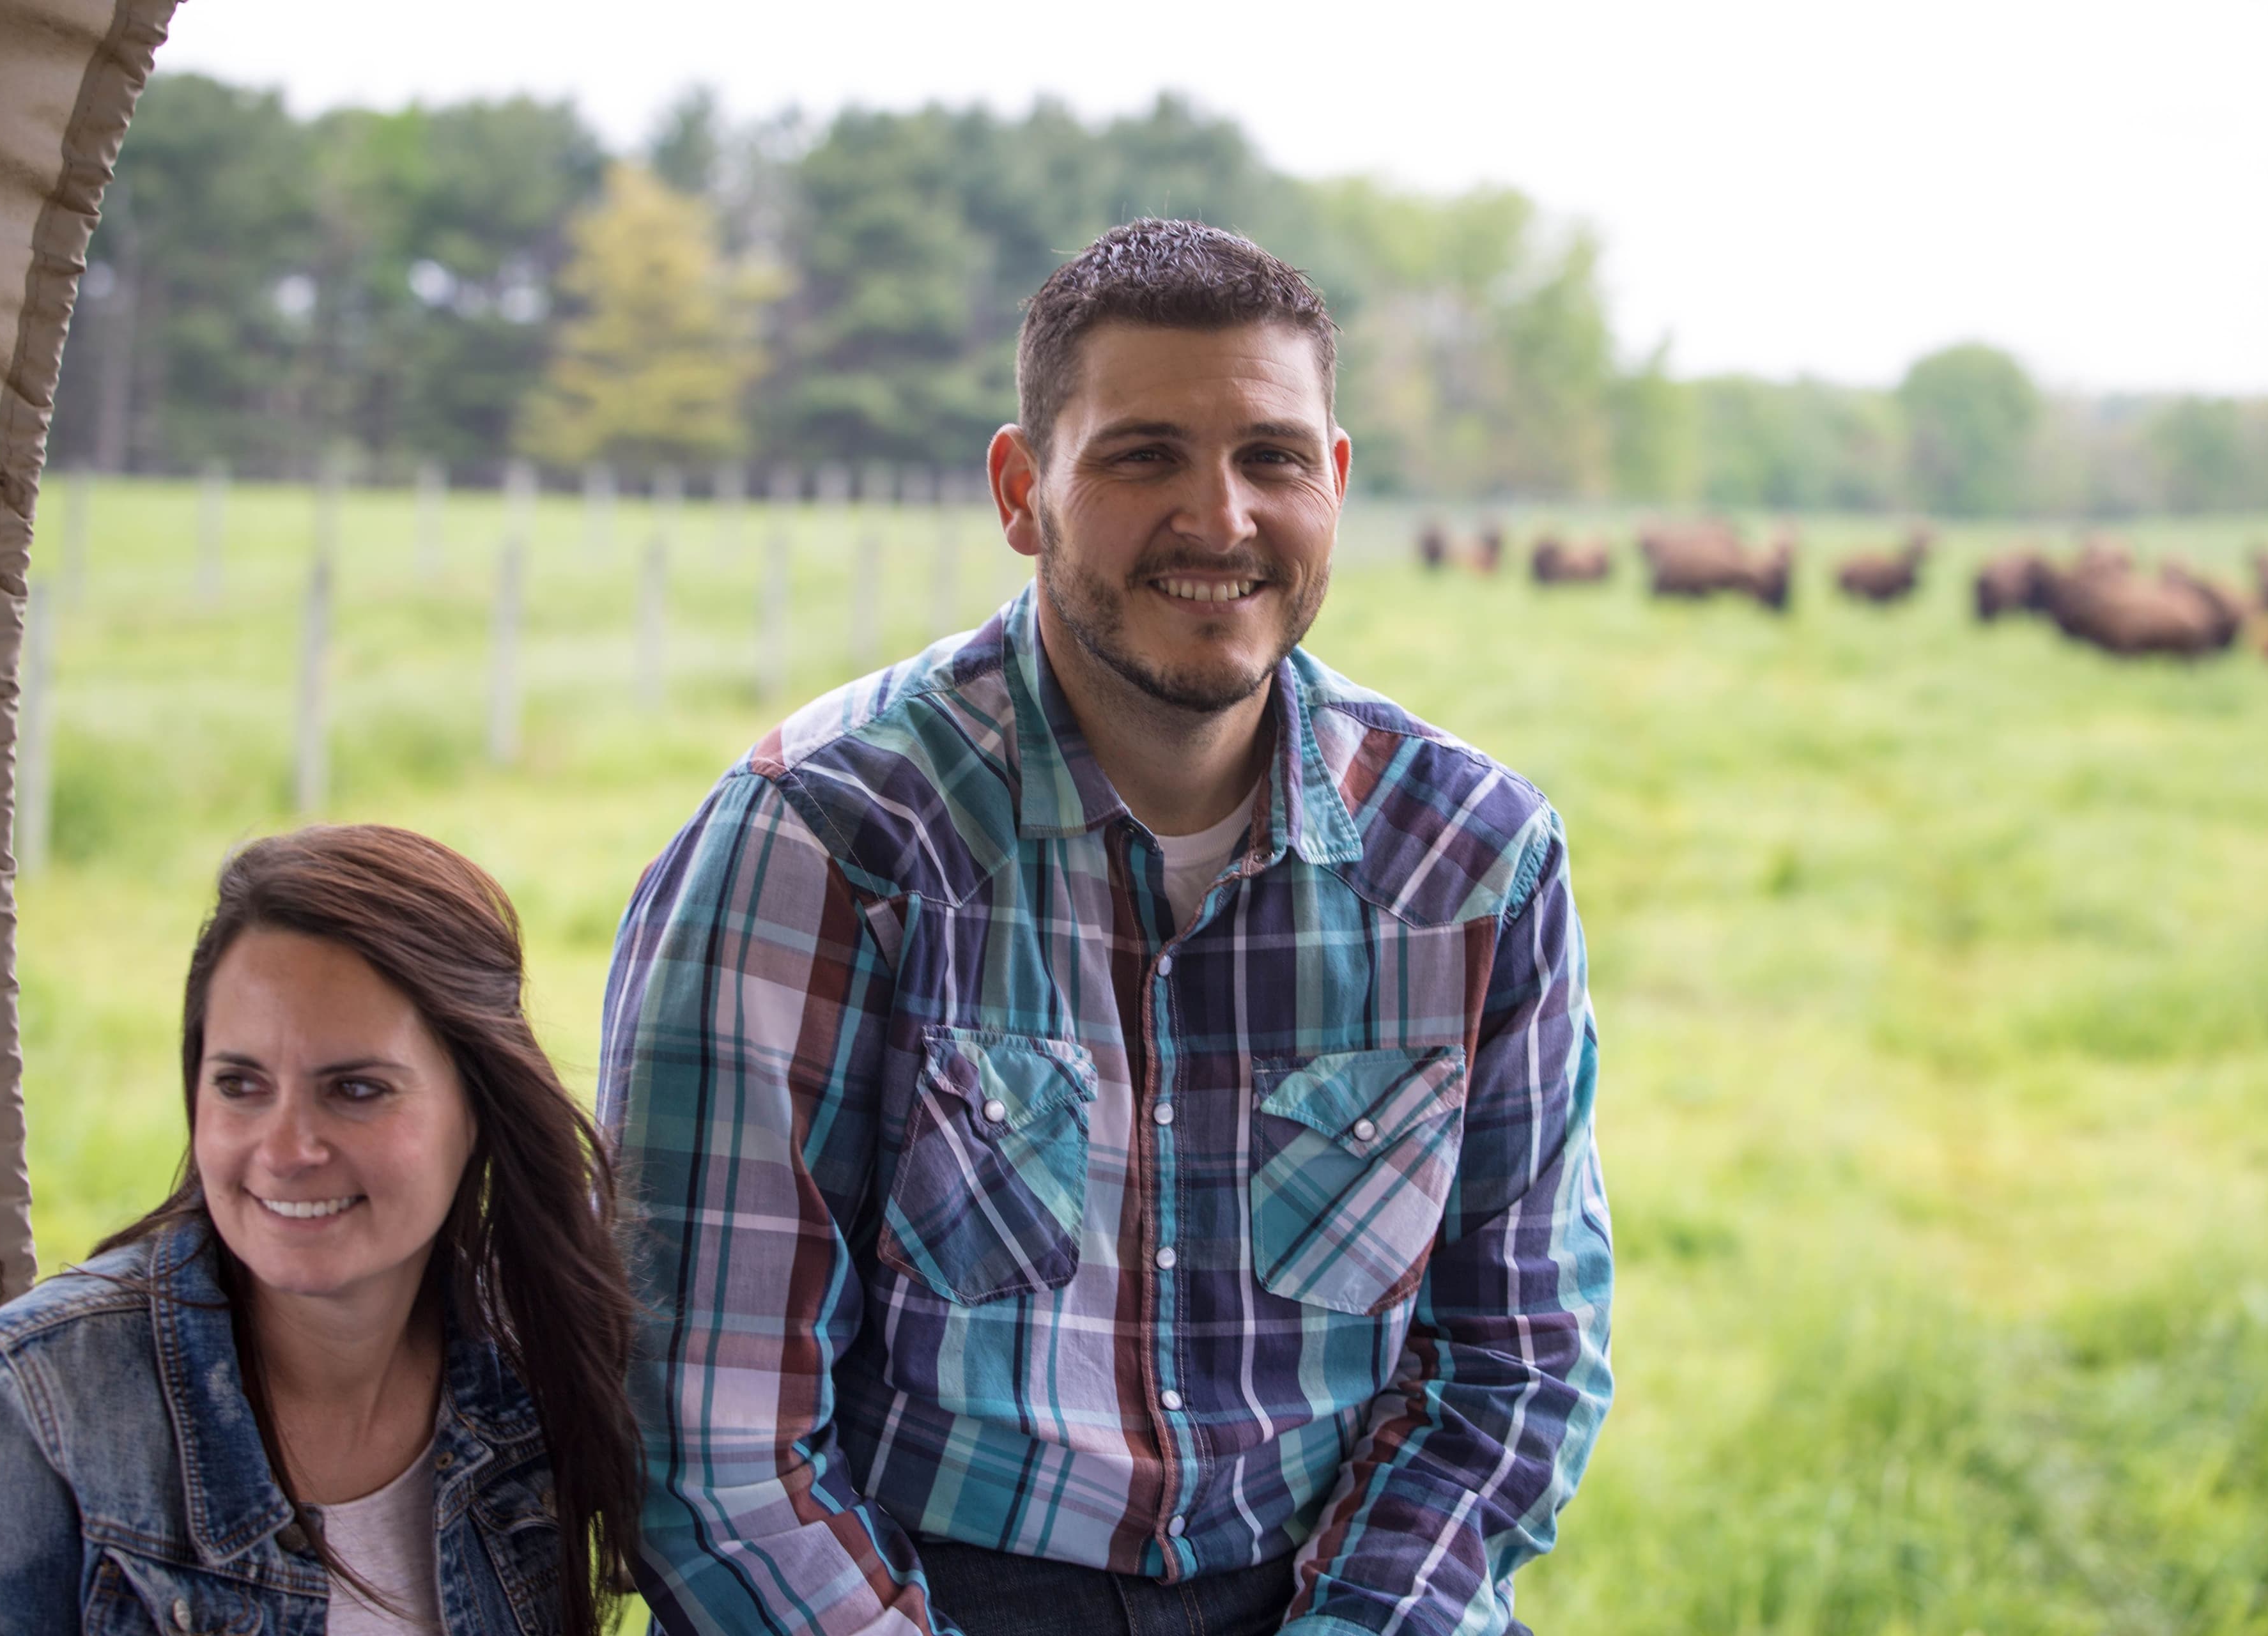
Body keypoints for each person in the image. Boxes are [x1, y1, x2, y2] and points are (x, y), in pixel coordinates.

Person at [602, 219, 1613, 1636]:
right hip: (923, 1585)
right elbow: (706, 1440)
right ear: (1024, 491)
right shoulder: (823, 840)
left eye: (1271, 456)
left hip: (1339, 1585)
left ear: (1334, 482)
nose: (1219, 517)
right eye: (1143, 456)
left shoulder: (1474, 859)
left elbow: (1515, 1366)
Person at [0, 826, 642, 1635]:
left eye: (355, 1089)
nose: (287, 1150)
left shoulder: (539, 1372)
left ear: (477, 1109)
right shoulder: (30, 1415)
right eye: (241, 1083)